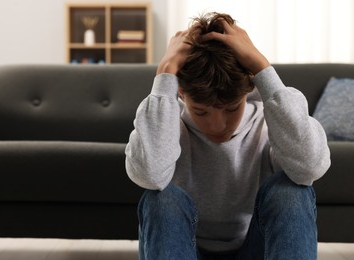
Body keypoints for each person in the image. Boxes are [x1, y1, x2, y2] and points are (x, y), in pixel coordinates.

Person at [125, 12, 330, 260]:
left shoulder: (271, 120)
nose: (217, 124)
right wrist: (166, 70)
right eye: (201, 111)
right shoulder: (164, 122)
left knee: (293, 192)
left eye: (232, 108)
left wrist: (262, 67)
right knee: (161, 198)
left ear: (249, 88)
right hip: (187, 250)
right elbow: (150, 175)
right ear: (180, 92)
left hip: (255, 249)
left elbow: (310, 169)